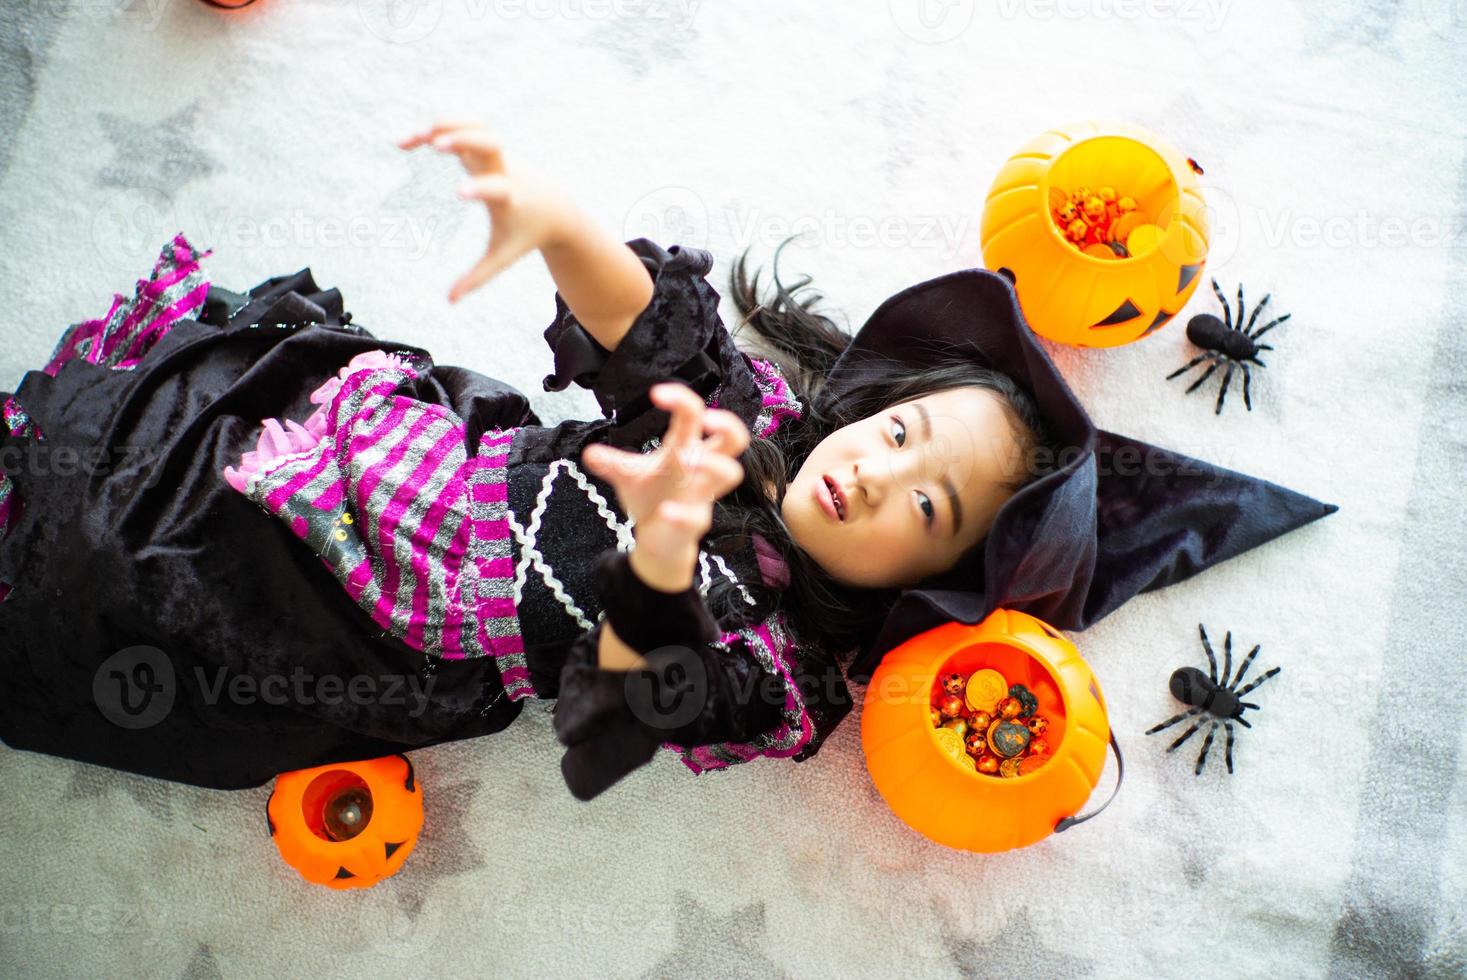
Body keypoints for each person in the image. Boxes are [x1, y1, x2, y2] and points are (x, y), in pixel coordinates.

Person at [0, 121, 1336, 799]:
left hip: (375, 623)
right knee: (133, 450)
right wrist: (555, 219)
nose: (876, 471)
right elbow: (644, 322)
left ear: (924, 586)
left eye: (924, 505)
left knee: (117, 586)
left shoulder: (786, 669)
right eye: (899, 431)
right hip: (392, 453)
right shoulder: (746, 418)